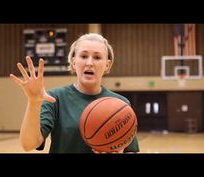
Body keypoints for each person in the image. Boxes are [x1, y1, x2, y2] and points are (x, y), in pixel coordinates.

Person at [10, 33, 140, 153]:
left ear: (107, 64)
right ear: (73, 61)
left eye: (97, 57)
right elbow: (28, 145)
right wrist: (33, 102)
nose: (89, 63)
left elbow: (131, 150)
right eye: (83, 56)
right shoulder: (55, 98)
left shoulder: (121, 104)